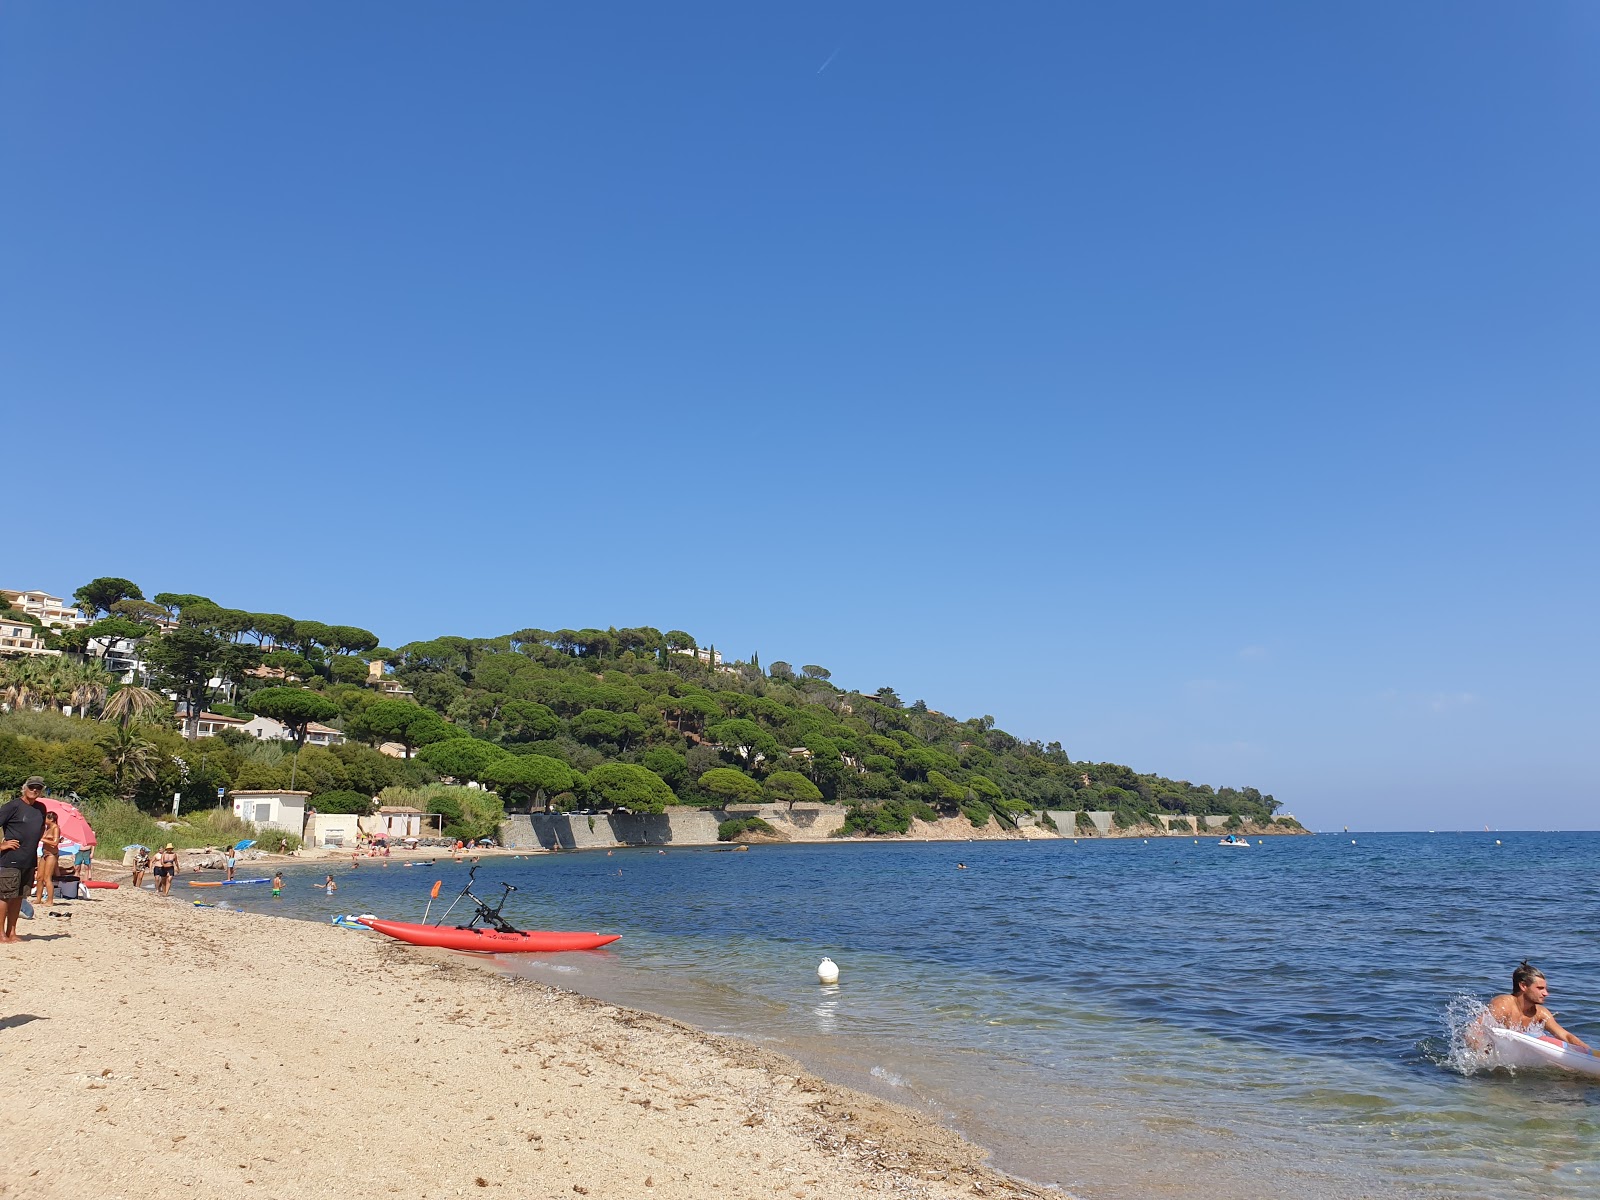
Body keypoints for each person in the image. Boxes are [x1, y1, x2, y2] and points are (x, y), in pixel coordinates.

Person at [1487, 961, 1591, 1051]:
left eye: (1545, 989)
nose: (1546, 993)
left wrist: (1591, 1053)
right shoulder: (1503, 1004)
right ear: (1523, 986)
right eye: (1540, 988)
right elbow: (1476, 1030)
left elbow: (1566, 1036)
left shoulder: (1540, 1013)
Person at [0, 778, 48, 942]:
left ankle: (12, 932)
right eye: (32, 787)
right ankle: (1, 934)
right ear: (24, 788)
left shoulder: (41, 808)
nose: (34, 790)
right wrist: (2, 845)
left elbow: (41, 827)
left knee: (19, 896)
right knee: (5, 896)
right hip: (10, 859)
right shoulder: (12, 806)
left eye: (38, 788)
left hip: (29, 859)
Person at [33, 810, 61, 906]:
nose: (44, 819)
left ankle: (50, 900)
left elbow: (55, 843)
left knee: (47, 878)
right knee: (39, 877)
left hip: (51, 855)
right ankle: (38, 898)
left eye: (45, 818)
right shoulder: (46, 828)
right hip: (44, 854)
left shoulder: (55, 828)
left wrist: (43, 839)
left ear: (51, 819)